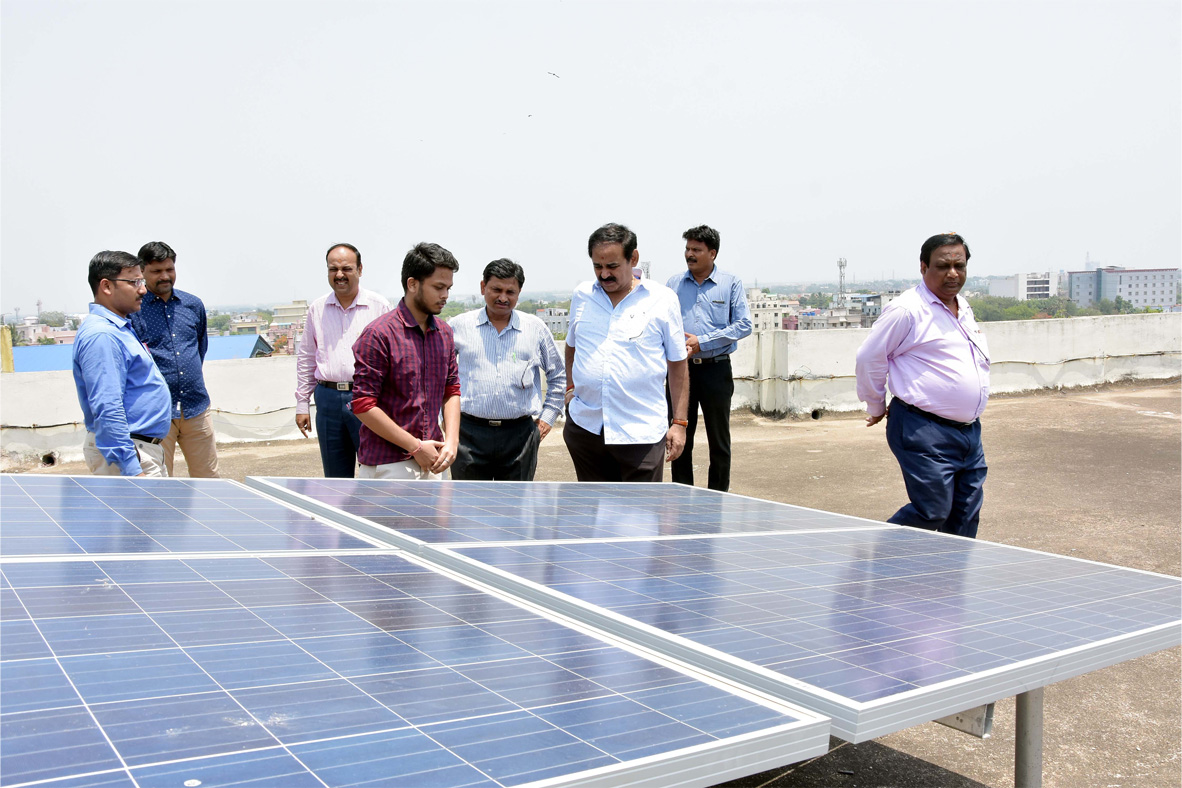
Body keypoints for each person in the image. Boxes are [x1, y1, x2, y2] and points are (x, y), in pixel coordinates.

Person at [854, 232, 990, 538]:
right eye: (943, 266)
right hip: (923, 429)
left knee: (964, 516)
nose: (953, 273)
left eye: (960, 265)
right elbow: (869, 357)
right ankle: (876, 560)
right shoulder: (908, 310)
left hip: (969, 433)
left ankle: (948, 582)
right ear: (923, 267)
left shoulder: (963, 307)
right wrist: (875, 404)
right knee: (932, 510)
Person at [564, 223, 690, 482]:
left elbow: (677, 365)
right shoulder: (582, 296)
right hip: (587, 430)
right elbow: (572, 346)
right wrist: (570, 387)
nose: (604, 274)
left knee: (639, 518)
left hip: (640, 434)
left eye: (612, 266)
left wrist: (679, 423)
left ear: (633, 258)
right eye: (597, 267)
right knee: (590, 516)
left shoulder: (662, 300)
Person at [350, 242, 461, 480]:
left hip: (434, 458)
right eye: (438, 287)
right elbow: (363, 405)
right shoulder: (379, 334)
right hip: (388, 465)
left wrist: (451, 441)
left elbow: (451, 390)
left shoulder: (444, 333)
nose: (445, 296)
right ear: (412, 284)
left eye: (448, 288)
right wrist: (415, 446)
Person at [448, 259, 565, 480]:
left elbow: (558, 376)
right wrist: (444, 421)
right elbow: (440, 377)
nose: (503, 297)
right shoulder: (459, 326)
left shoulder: (535, 328)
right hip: (468, 435)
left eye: (510, 291)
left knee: (515, 509)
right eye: (496, 289)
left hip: (520, 436)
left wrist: (547, 419)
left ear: (519, 292)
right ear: (483, 287)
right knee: (469, 508)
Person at [665, 225, 752, 491]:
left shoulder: (730, 283)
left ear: (712, 253)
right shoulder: (673, 285)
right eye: (687, 249)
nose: (689, 255)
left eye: (696, 250)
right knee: (680, 437)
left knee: (719, 440)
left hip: (716, 370)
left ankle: (718, 498)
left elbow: (743, 325)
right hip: (682, 373)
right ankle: (681, 495)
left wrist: (702, 342)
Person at [72, 251, 173, 477]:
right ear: (107, 286)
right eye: (135, 282)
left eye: (142, 281)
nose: (143, 290)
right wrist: (132, 468)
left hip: (142, 449)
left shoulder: (118, 328)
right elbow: (107, 406)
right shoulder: (103, 335)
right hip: (130, 454)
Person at [295, 243, 391, 477]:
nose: (339, 275)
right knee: (335, 477)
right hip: (327, 400)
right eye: (333, 269)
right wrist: (302, 404)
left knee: (374, 471)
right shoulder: (317, 309)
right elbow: (307, 357)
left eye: (346, 269)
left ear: (360, 269)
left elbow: (393, 358)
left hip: (368, 398)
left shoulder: (379, 306)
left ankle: (372, 515)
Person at [129, 241, 219, 478]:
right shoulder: (135, 308)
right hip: (157, 413)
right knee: (159, 482)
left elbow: (200, 349)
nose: (165, 276)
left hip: (196, 407)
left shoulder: (192, 305)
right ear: (142, 272)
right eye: (157, 271)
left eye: (169, 269)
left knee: (208, 478)